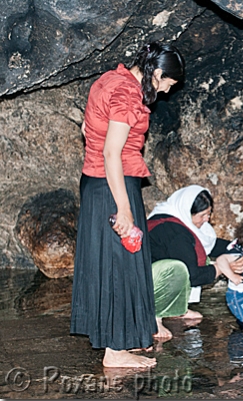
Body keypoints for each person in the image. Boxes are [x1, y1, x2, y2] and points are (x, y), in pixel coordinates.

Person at [70, 41, 185, 368]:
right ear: (158, 73)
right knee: (120, 265)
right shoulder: (128, 94)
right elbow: (112, 153)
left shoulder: (109, 79)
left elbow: (86, 129)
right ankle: (116, 351)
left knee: (107, 264)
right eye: (167, 84)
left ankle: (119, 337)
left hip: (95, 182)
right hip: (112, 184)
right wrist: (123, 206)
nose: (164, 91)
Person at [147, 185, 243, 340]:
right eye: (202, 215)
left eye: (209, 213)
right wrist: (222, 268)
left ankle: (176, 310)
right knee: (178, 269)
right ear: (187, 212)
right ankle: (153, 318)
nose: (207, 219)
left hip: (158, 275)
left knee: (200, 255)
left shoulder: (180, 219)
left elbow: (216, 247)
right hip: (145, 284)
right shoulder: (175, 232)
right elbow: (192, 276)